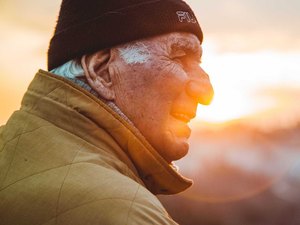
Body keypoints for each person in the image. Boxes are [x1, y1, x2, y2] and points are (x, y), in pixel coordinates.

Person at [0, 0, 214, 224]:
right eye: (179, 57)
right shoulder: (130, 215)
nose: (206, 91)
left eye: (198, 62)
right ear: (101, 72)